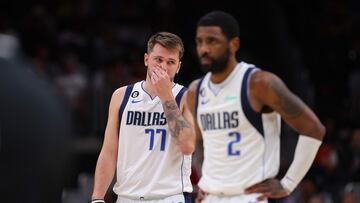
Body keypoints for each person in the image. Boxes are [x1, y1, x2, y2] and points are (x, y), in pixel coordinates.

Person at [185, 11, 326, 203]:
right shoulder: (195, 91)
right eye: (199, 41)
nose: (204, 49)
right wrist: (204, 180)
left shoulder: (259, 84)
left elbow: (314, 129)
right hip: (211, 197)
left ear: (234, 44)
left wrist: (288, 183)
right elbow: (199, 142)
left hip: (249, 197)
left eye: (212, 41)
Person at [91, 32, 195, 203]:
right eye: (158, 60)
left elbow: (187, 146)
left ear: (178, 67)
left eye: (171, 62)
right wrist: (97, 197)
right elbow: (109, 151)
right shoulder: (121, 96)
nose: (163, 67)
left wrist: (166, 97)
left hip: (169, 197)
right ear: (146, 60)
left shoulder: (186, 97)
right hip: (127, 197)